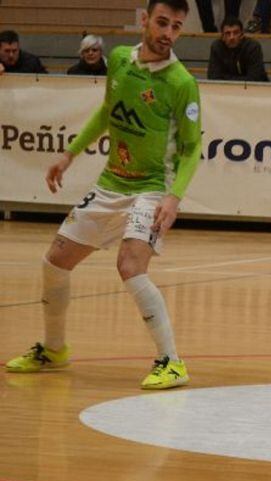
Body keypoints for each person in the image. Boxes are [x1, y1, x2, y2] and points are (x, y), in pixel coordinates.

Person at [5, 0, 201, 390]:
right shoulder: (119, 61)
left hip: (151, 188)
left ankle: (172, 362)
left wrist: (174, 197)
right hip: (111, 183)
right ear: (145, 20)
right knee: (54, 262)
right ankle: (55, 348)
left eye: (176, 27)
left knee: (130, 266)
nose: (168, 34)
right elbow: (107, 112)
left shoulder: (181, 82)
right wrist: (69, 154)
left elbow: (193, 148)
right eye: (162, 23)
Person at [208, 16, 269, 81]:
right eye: (228, 33)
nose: (232, 37)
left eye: (236, 33)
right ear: (222, 36)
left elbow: (255, 78)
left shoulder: (253, 47)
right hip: (225, 89)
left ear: (242, 35)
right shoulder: (217, 47)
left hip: (254, 89)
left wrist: (225, 78)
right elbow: (213, 77)